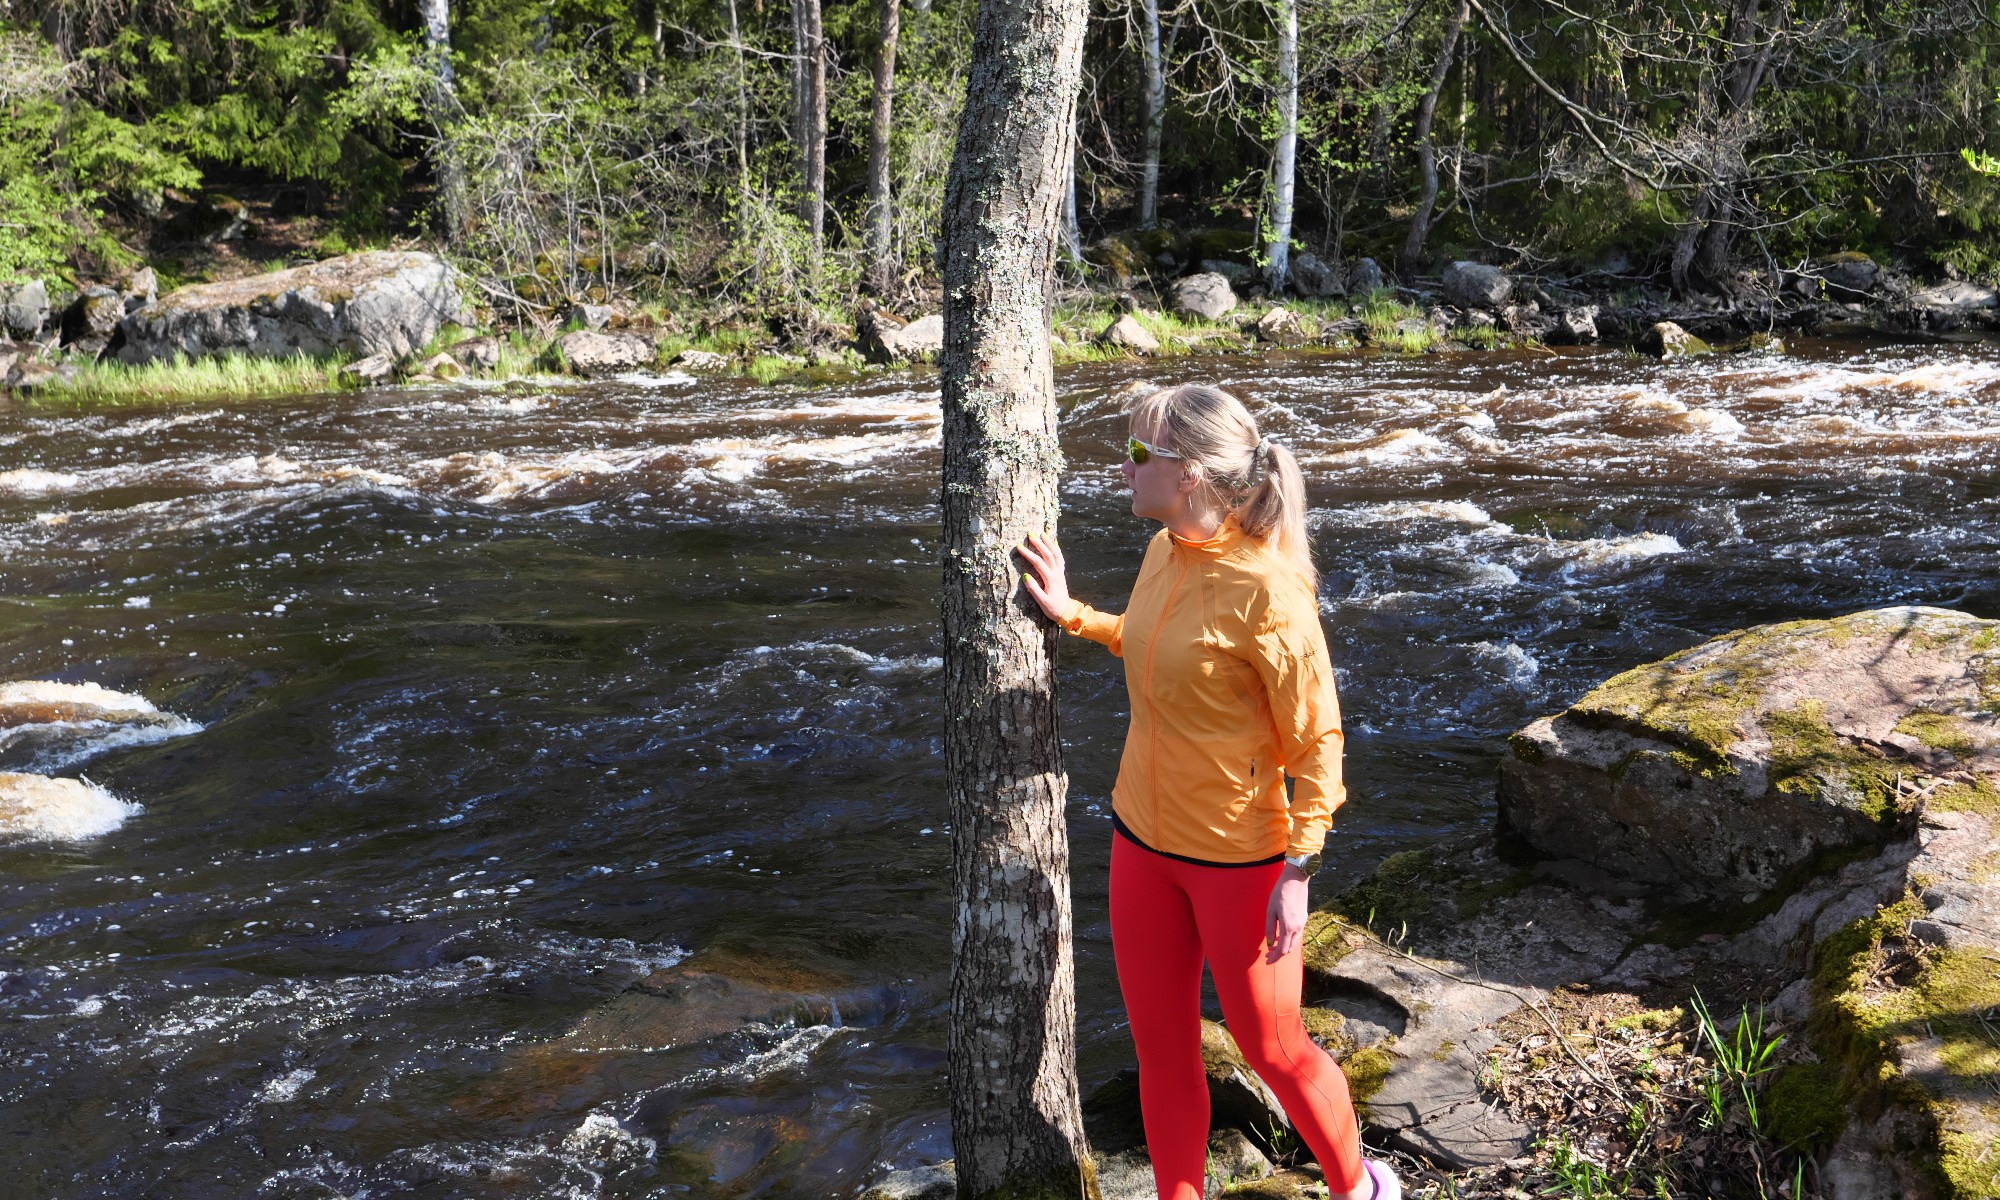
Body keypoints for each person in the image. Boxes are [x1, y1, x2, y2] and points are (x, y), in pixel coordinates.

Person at [1017, 384, 1398, 1200]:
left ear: (1186, 472)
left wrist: (1298, 869)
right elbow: (1158, 647)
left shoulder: (1271, 593)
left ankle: (1359, 1187)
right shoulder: (1164, 552)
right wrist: (1073, 615)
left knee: (1274, 1048)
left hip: (1240, 865)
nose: (1124, 468)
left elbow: (1318, 744)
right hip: (1141, 845)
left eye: (1136, 453)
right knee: (1161, 1049)